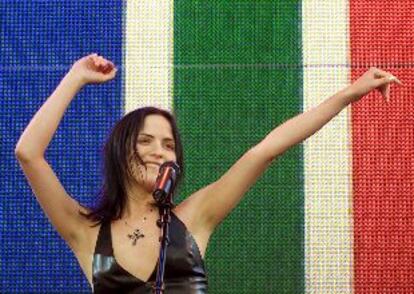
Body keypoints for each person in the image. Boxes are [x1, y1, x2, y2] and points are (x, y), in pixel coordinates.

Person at [15, 53, 401, 293]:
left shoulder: (194, 216)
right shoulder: (86, 231)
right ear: (120, 151)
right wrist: (76, 77)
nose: (158, 152)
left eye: (168, 145)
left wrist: (350, 93)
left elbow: (264, 151)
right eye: (146, 141)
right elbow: (29, 154)